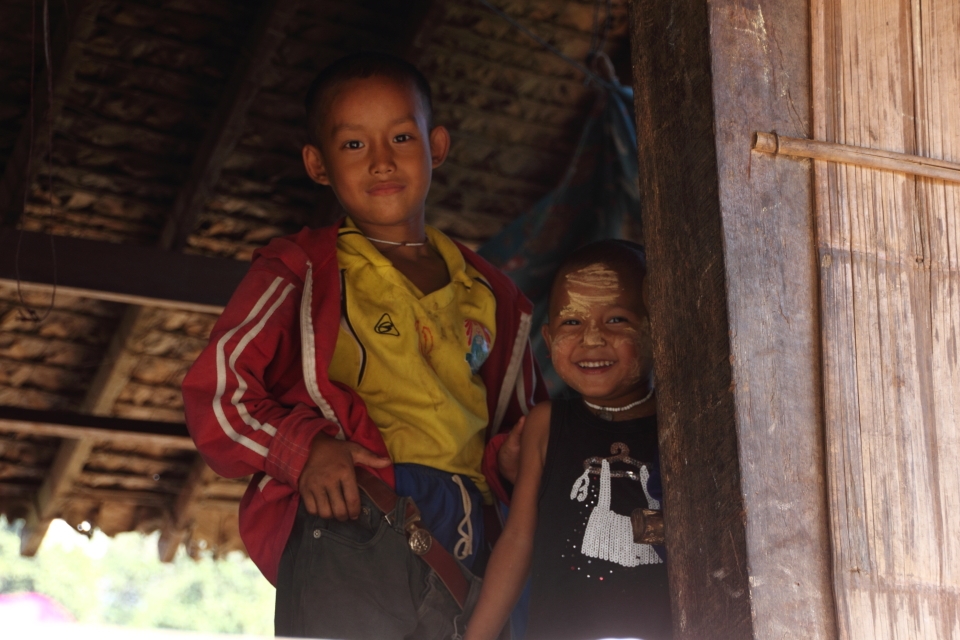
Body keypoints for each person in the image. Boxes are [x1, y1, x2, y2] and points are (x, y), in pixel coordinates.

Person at [181, 52, 545, 638]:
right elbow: (218, 396)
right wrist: (305, 452)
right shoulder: (303, 271)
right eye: (353, 145)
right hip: (356, 515)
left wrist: (507, 457)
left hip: (473, 530)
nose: (381, 160)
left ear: (438, 145)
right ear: (317, 164)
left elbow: (523, 433)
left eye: (402, 136)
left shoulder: (494, 295)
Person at [464, 240, 672, 640]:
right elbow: (519, 538)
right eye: (571, 323)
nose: (592, 340)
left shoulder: (681, 427)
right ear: (547, 335)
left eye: (616, 320)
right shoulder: (546, 423)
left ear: (655, 327)